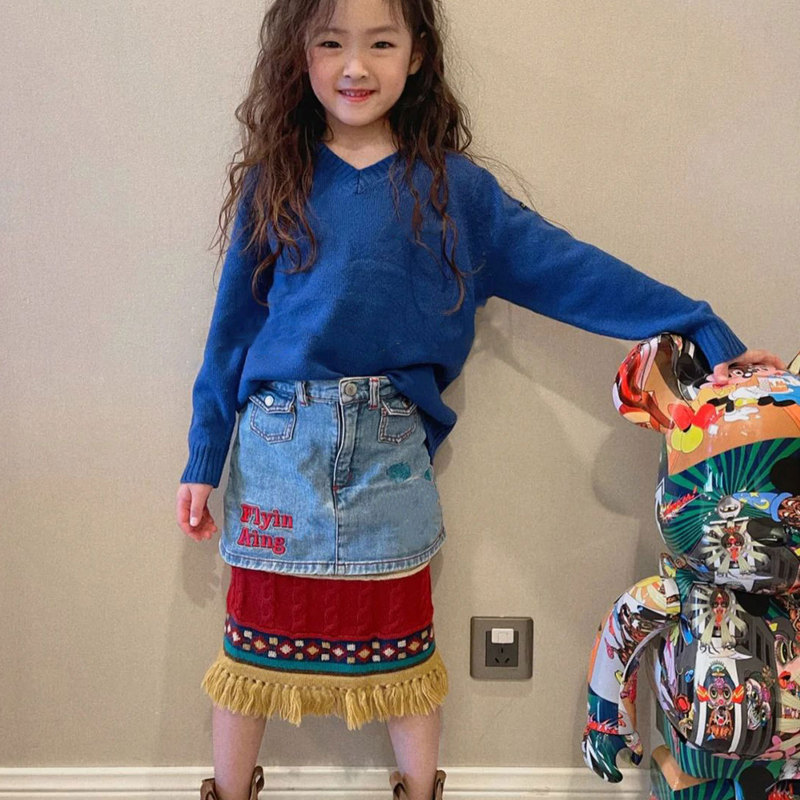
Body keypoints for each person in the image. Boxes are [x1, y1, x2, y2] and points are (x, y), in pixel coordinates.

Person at [175, 1, 784, 799]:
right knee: (248, 654)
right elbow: (230, 336)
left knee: (405, 654)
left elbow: (572, 270)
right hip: (275, 450)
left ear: (417, 53)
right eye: (330, 43)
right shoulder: (274, 183)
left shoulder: (455, 192)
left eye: (380, 43)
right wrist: (203, 457)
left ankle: (419, 789)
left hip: (390, 458)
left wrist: (698, 326)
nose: (355, 66)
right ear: (300, 55)